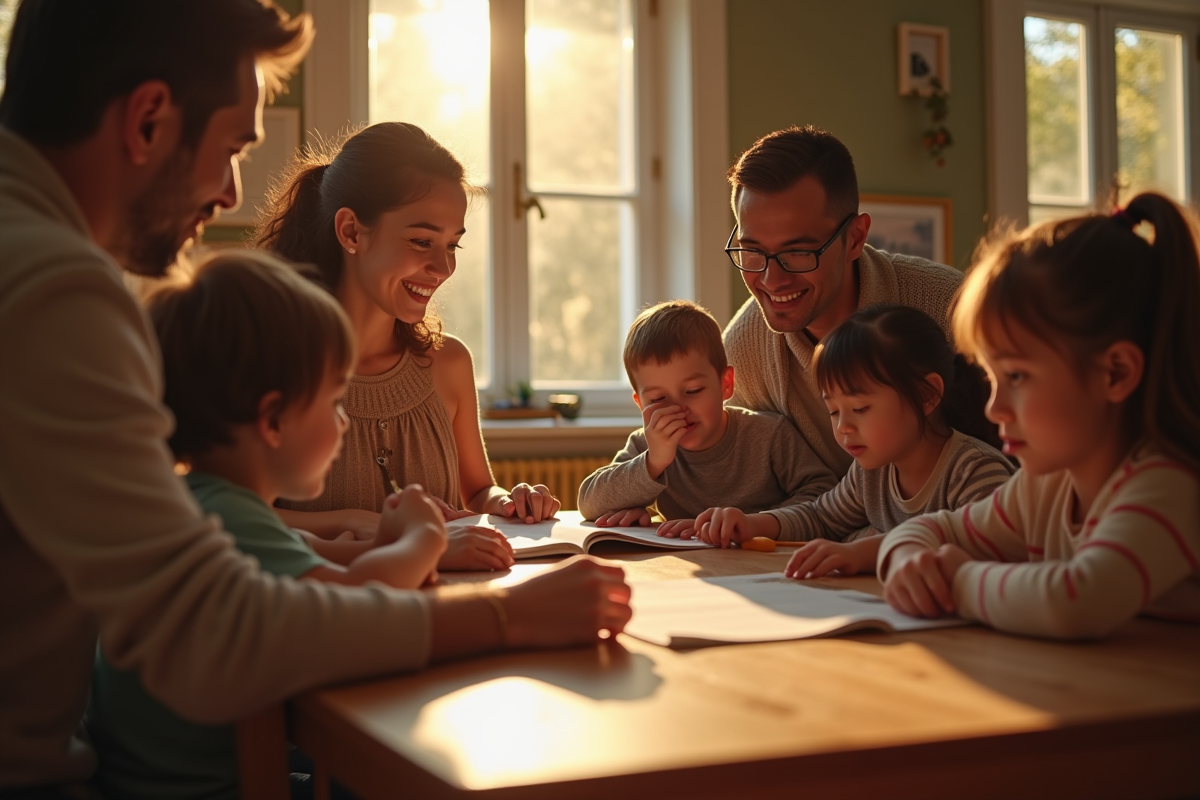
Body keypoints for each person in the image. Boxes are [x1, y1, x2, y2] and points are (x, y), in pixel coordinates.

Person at [0, 2, 630, 795]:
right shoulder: (54, 291)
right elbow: (221, 630)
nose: (230, 194)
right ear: (149, 118)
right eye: (232, 148)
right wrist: (513, 618)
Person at [89, 251, 452, 800]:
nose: (344, 421)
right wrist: (424, 538)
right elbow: (354, 603)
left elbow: (310, 550)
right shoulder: (229, 517)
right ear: (273, 419)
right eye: (334, 402)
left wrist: (381, 541)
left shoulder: (202, 503)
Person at [879, 193, 1200, 638]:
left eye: (1018, 376)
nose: (994, 408)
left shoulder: (1169, 486)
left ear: (1116, 373)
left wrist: (957, 580)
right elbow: (937, 528)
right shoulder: (1044, 488)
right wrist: (909, 560)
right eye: (993, 379)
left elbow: (1077, 601)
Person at [255, 122, 557, 571]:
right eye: (422, 241)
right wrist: (369, 523)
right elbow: (232, 517)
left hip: (446, 615)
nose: (443, 267)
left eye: (452, 244)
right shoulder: (269, 363)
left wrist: (509, 502)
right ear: (352, 232)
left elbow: (475, 493)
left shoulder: (450, 363)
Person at [722, 125, 976, 478]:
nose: (771, 280)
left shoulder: (956, 309)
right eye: (752, 252)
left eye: (797, 252)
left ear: (855, 238)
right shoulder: (743, 355)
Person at [688, 305, 1013, 578]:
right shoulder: (872, 471)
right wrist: (752, 523)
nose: (844, 427)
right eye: (833, 411)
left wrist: (862, 553)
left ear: (927, 395)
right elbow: (820, 517)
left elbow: (982, 545)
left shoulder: (974, 470)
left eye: (860, 408)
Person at [576, 300, 835, 536]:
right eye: (657, 400)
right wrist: (653, 463)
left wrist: (751, 523)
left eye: (693, 391)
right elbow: (589, 502)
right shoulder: (648, 446)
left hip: (765, 565)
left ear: (726, 384)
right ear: (640, 404)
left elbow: (823, 494)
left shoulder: (769, 435)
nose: (677, 409)